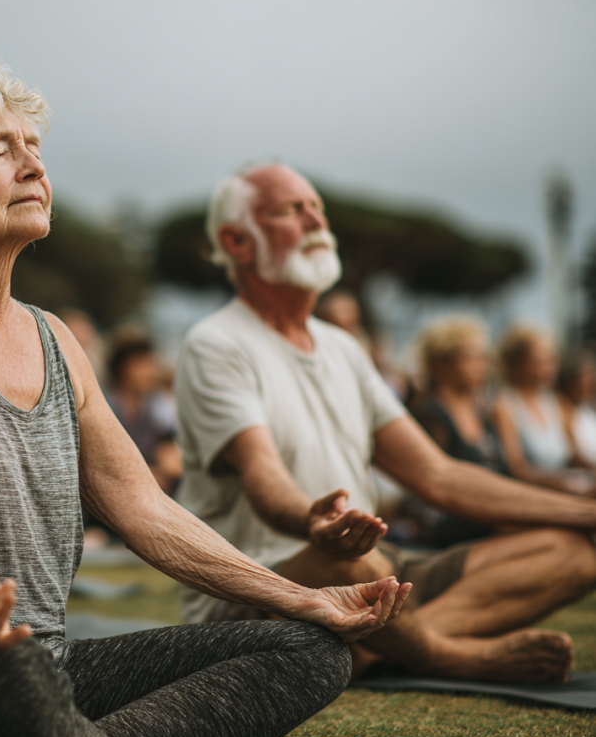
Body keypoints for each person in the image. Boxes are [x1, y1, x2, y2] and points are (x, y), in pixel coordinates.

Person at [0, 60, 408, 737]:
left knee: (309, 649)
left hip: (36, 670)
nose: (33, 167)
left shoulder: (57, 340)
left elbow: (146, 508)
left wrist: (294, 596)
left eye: (35, 150)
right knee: (10, 664)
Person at [175, 164, 596, 684]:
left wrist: (583, 512)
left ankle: (380, 651)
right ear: (236, 242)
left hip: (377, 564)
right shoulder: (215, 343)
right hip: (268, 580)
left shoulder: (344, 348)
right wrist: (313, 521)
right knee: (358, 572)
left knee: (573, 553)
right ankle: (447, 656)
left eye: (317, 209)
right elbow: (264, 477)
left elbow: (439, 476)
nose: (315, 221)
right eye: (291, 210)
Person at [412, 317, 509, 547]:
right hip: (457, 524)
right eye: (470, 357)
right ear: (440, 364)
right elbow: (432, 486)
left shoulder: (482, 412)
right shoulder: (432, 414)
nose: (480, 365)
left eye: (483, 357)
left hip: (491, 513)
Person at [491, 326, 595, 496]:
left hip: (565, 486)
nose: (548, 368)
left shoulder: (557, 402)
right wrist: (562, 484)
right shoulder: (503, 404)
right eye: (539, 362)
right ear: (516, 365)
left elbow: (575, 455)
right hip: (532, 493)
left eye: (551, 360)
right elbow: (516, 467)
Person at [106, 333, 182, 496]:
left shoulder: (157, 408)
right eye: (141, 365)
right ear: (122, 368)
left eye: (150, 364)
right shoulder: (106, 408)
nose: (150, 372)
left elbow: (172, 461)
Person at [557, 351, 596, 471]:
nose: (591, 382)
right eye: (587, 377)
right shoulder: (561, 408)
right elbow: (574, 455)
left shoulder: (587, 408)